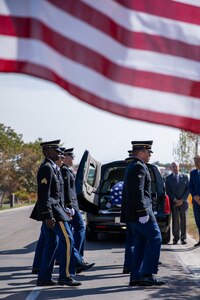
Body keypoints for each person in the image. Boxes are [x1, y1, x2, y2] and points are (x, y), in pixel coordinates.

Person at [30, 140, 81, 286]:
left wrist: (66, 208)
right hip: (53, 213)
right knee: (67, 240)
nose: (61, 155)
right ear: (47, 152)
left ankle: (44, 277)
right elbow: (44, 195)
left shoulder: (54, 168)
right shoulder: (47, 168)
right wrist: (48, 215)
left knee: (52, 242)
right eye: (57, 152)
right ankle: (64, 276)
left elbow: (57, 195)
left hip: (57, 211)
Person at [123, 140, 166, 286]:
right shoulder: (139, 167)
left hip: (133, 214)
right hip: (141, 213)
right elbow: (138, 192)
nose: (149, 155)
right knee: (156, 238)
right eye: (148, 152)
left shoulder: (132, 166)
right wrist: (142, 212)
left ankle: (135, 276)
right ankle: (146, 274)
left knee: (140, 243)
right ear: (141, 152)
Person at [60, 147, 95, 274]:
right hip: (70, 207)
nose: (73, 158)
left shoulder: (67, 171)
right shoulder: (64, 171)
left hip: (73, 206)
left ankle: (77, 259)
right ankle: (77, 260)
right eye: (72, 156)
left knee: (71, 234)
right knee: (75, 231)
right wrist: (69, 206)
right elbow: (66, 192)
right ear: (66, 157)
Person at [165, 162, 189, 245]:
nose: (175, 168)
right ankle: (175, 238)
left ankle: (183, 238)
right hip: (174, 202)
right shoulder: (168, 178)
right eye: (173, 167)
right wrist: (175, 199)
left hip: (184, 202)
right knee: (175, 221)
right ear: (171, 168)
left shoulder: (185, 177)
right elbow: (168, 191)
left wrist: (182, 200)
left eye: (176, 166)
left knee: (184, 220)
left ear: (179, 167)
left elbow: (188, 189)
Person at [189, 155, 200, 247]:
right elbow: (190, 186)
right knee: (198, 221)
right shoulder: (193, 173)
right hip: (196, 202)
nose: (196, 163)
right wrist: (195, 196)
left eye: (198, 161)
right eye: (195, 161)